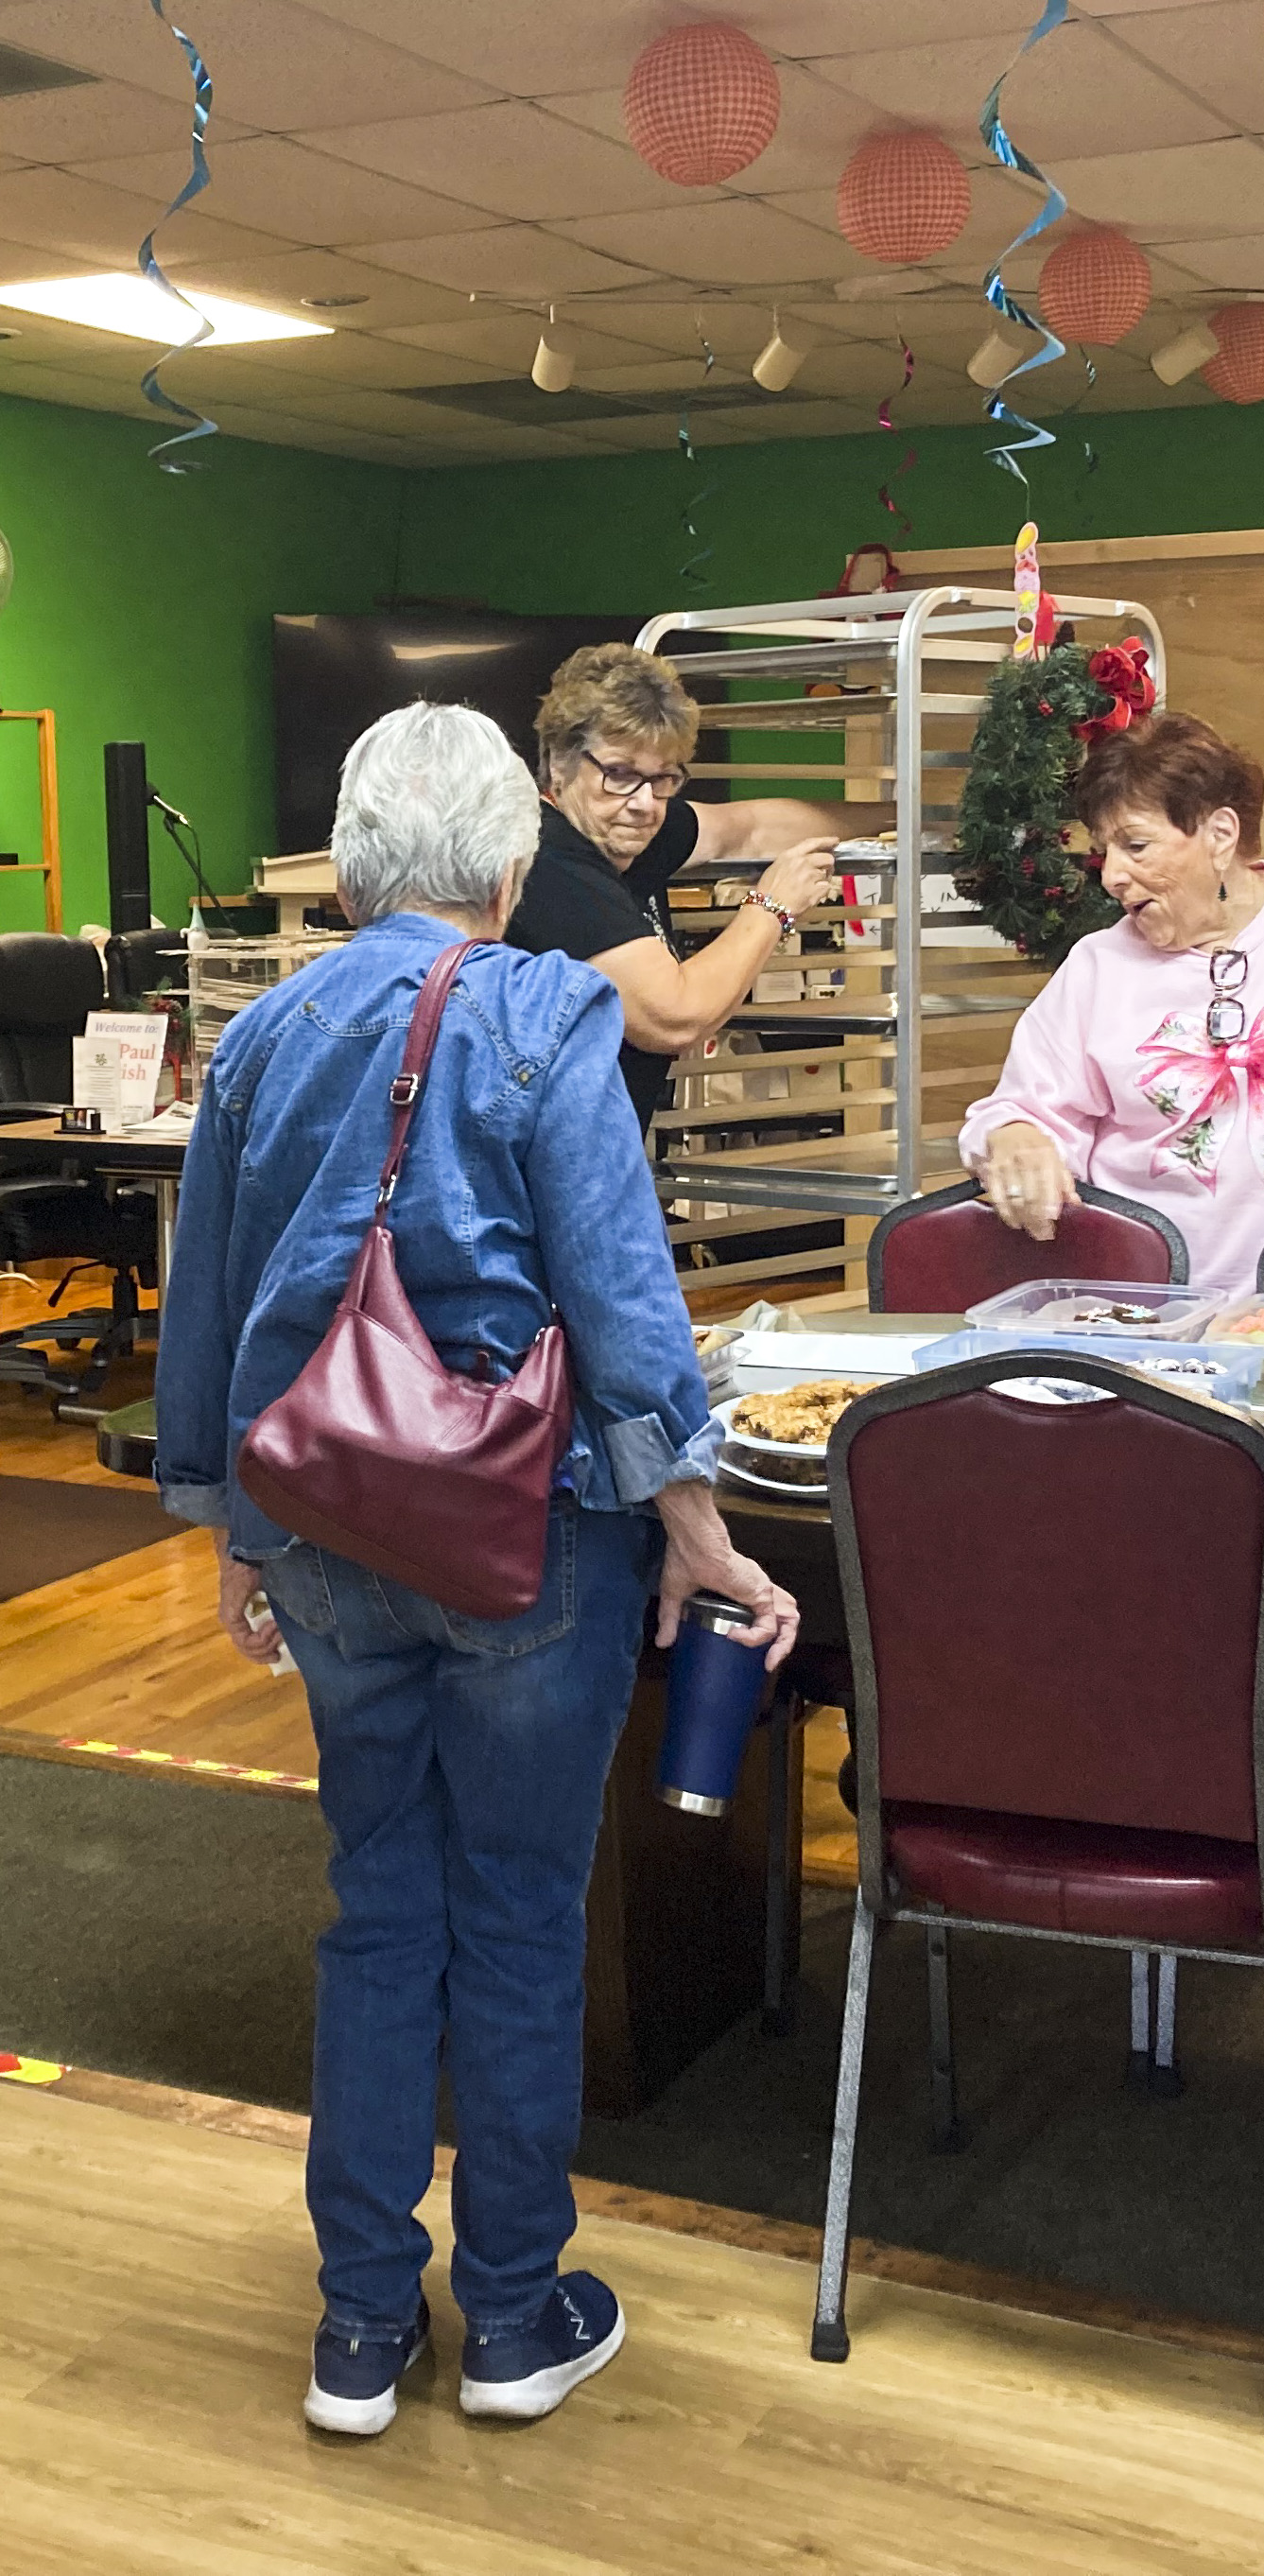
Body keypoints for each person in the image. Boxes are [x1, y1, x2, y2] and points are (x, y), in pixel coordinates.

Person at [155, 703, 799, 2443]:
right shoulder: (546, 1011)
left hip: (325, 1525)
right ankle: (513, 2315)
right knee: (518, 1917)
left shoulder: (261, 1032)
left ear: (354, 869)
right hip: (529, 1536)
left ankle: (360, 2329)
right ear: (513, 867)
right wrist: (695, 1521)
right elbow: (616, 1284)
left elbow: (209, 1294)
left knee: (378, 1910)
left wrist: (228, 1531)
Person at [959, 708, 1264, 1947]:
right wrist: (1018, 1140)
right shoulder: (1096, 970)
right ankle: (1196, 1794)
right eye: (1101, 852)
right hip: (1162, 1343)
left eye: (1135, 846)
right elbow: (1019, 1106)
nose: (1111, 878)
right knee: (1187, 1584)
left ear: (1220, 833)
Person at [506, 641, 880, 1135]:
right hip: (528, 1165)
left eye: (663, 778)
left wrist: (912, 818)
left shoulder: (625, 829)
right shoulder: (547, 858)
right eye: (619, 773)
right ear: (561, 763)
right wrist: (771, 907)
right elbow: (673, 1017)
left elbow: (750, 828)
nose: (645, 803)